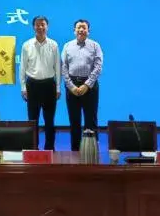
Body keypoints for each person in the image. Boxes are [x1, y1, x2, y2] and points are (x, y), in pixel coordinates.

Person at [61, 19, 103, 151]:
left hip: (90, 86)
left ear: (88, 31)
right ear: (74, 30)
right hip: (72, 85)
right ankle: (75, 151)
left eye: (84, 27)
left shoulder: (95, 46)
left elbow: (98, 67)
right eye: (78, 27)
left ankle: (91, 151)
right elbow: (63, 67)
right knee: (74, 121)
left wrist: (86, 85)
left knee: (91, 120)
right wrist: (71, 86)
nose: (81, 30)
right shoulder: (67, 46)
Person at [20, 16, 61, 150]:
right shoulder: (27, 45)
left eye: (43, 25)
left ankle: (49, 148)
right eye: (37, 25)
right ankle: (33, 148)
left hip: (49, 85)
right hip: (32, 85)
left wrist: (58, 88)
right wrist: (23, 87)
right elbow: (22, 68)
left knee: (49, 120)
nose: (40, 27)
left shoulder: (53, 45)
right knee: (33, 120)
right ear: (34, 27)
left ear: (47, 27)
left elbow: (57, 67)